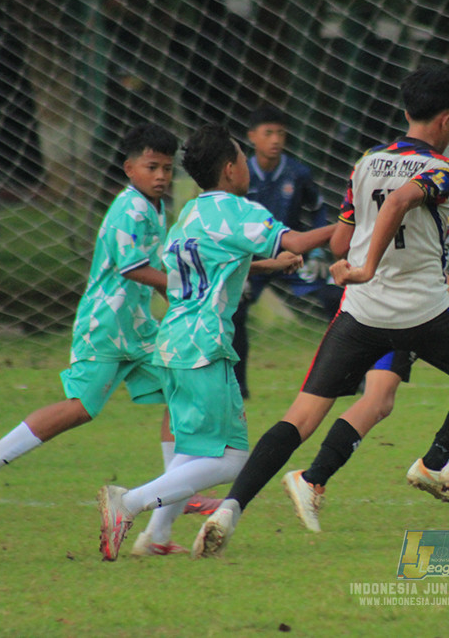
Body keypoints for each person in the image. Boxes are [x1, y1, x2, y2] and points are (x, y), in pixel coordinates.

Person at [192, 66, 449, 559]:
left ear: (404, 113)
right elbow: (400, 201)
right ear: (447, 121)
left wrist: (348, 263)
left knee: (301, 416)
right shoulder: (444, 171)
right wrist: (369, 265)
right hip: (421, 313)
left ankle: (230, 509)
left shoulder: (367, 161)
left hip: (362, 315)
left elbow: (338, 238)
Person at [96, 124, 335, 560]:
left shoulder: (191, 212)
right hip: (205, 344)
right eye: (243, 158)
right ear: (230, 169)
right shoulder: (238, 210)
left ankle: (154, 537)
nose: (247, 166)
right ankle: (127, 503)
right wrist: (349, 226)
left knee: (194, 450)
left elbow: (210, 263)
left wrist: (268, 265)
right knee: (231, 461)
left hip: (172, 339)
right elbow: (299, 239)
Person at [0, 124, 217, 522]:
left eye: (167, 168)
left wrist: (172, 294)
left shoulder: (155, 207)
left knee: (179, 389)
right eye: (152, 167)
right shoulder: (128, 209)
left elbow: (154, 264)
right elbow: (132, 268)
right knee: (80, 408)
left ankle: (176, 487)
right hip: (105, 325)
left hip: (138, 326)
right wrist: (179, 287)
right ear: (129, 169)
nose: (162, 176)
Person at [281, 95, 449, 532]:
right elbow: (422, 267)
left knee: (380, 399)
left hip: (392, 302)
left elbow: (430, 265)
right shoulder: (444, 186)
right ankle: (437, 464)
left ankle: (316, 478)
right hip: (397, 307)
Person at [231, 104, 342, 398]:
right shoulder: (240, 176)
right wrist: (238, 265)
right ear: (252, 136)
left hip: (292, 257)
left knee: (336, 297)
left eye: (281, 133)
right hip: (254, 261)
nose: (276, 140)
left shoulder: (297, 173)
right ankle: (238, 387)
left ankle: (348, 375)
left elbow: (319, 210)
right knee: (234, 311)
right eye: (268, 133)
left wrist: (318, 252)